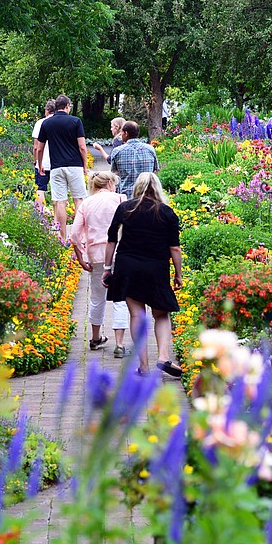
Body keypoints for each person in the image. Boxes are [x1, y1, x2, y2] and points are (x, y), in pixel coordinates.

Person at [102, 172, 184, 378]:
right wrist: (178, 274)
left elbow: (111, 239)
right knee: (161, 313)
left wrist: (107, 268)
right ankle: (163, 357)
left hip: (128, 266)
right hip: (156, 268)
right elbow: (175, 248)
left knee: (137, 315)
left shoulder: (125, 208)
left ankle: (144, 366)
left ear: (137, 187)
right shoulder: (166, 213)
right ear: (157, 188)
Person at [69, 171, 129, 357]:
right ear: (110, 183)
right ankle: (119, 344)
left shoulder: (86, 203)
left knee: (96, 298)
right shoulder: (120, 198)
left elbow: (74, 235)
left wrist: (80, 256)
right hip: (120, 254)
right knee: (120, 298)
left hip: (96, 256)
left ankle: (95, 338)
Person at [35, 94, 88, 240]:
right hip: (74, 166)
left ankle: (62, 237)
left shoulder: (47, 123)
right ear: (67, 106)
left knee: (60, 202)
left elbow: (39, 148)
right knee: (78, 200)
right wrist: (85, 165)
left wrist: (40, 165)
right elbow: (82, 147)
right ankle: (78, 238)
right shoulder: (75, 121)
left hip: (56, 167)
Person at [107, 121, 159, 199]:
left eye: (122, 133)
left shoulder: (117, 151)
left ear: (126, 133)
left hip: (126, 197)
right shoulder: (150, 149)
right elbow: (155, 171)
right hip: (147, 195)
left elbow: (114, 175)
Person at [31, 99, 56, 212]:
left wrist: (36, 160)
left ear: (47, 110)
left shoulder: (40, 123)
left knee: (40, 188)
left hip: (43, 162)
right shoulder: (60, 122)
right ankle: (57, 218)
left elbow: (36, 146)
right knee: (57, 191)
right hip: (57, 162)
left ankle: (40, 214)